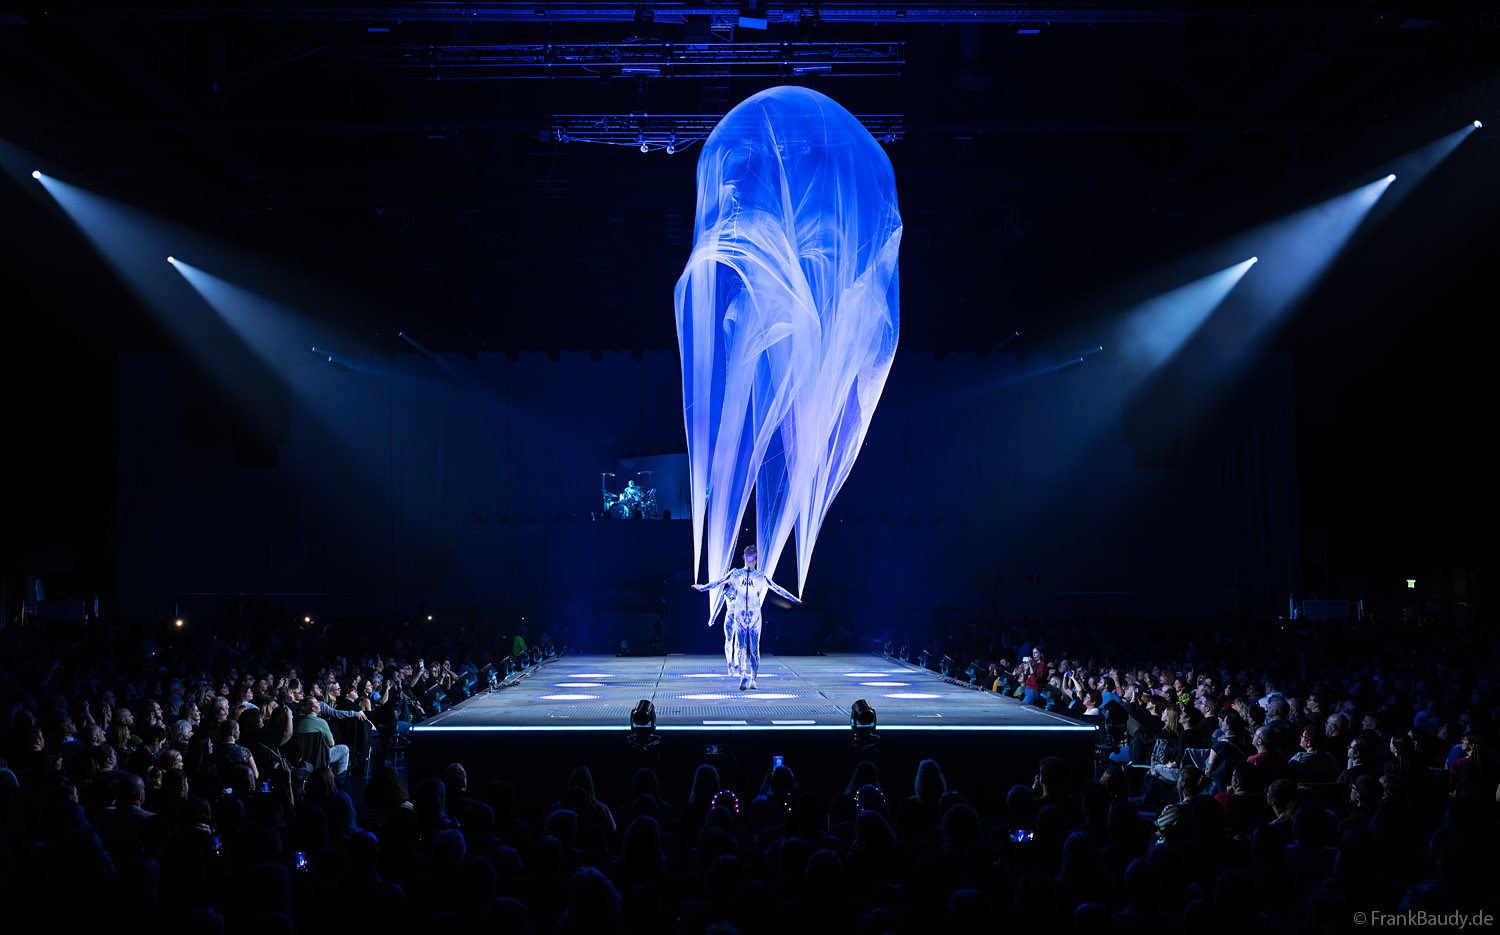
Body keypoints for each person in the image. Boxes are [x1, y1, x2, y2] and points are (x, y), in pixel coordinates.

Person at [691, 543, 801, 690]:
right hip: (740, 615)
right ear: (744, 557)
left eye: (752, 556)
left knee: (752, 648)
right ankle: (744, 675)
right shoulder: (735, 574)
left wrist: (793, 598)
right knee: (742, 647)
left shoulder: (760, 576)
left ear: (755, 558)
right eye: (748, 555)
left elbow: (777, 588)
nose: (750, 558)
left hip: (753, 616)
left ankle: (753, 678)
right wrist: (702, 587)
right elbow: (718, 582)